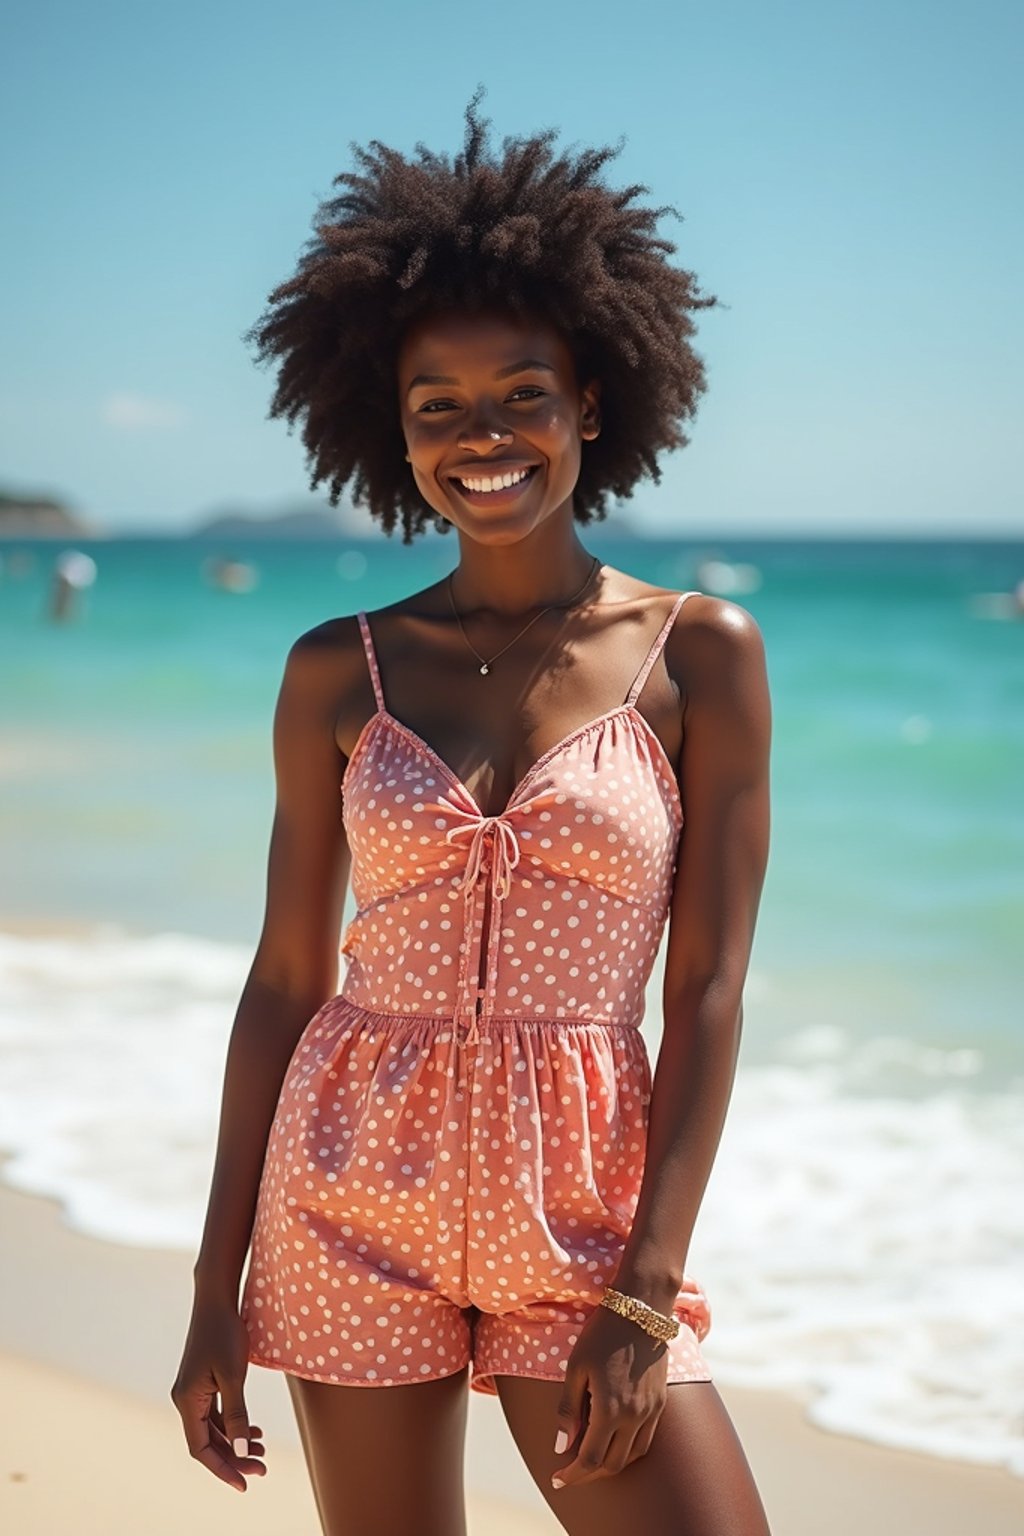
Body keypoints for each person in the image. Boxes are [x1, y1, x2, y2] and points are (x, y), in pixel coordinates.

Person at [172, 92, 773, 1536]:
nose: (482, 435)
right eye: (438, 407)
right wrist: (214, 1296)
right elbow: (284, 982)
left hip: (583, 1218)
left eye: (522, 394)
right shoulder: (339, 669)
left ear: (592, 404)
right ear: (391, 434)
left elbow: (708, 991)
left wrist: (645, 1282)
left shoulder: (702, 656)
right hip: (346, 1196)